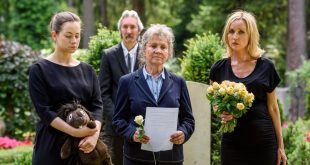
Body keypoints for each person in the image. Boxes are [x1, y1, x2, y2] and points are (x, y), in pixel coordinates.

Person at [209, 10, 287, 165]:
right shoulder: (218, 68)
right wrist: (222, 113)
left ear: (250, 35)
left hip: (264, 145)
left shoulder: (266, 67)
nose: (235, 36)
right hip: (232, 145)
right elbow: (215, 104)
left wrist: (281, 146)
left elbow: (273, 108)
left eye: (241, 32)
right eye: (231, 31)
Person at [112, 24, 195, 165]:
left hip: (171, 158)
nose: (158, 50)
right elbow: (118, 120)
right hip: (137, 158)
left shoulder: (179, 82)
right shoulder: (127, 81)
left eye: (163, 47)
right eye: (153, 46)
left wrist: (183, 133)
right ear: (144, 49)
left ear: (169, 53)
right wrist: (133, 134)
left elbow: (188, 119)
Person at [29, 11, 102, 165]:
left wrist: (94, 136)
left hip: (84, 148)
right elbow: (44, 111)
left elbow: (97, 106)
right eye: (68, 36)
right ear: (54, 35)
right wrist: (75, 132)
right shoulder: (39, 70)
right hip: (51, 147)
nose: (74, 40)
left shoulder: (88, 70)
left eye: (77, 36)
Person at [98, 10, 143, 165]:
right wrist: (117, 117)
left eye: (132, 27)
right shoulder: (109, 55)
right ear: (120, 30)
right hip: (115, 126)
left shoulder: (147, 54)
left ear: (139, 30)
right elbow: (103, 92)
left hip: (142, 126)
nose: (128, 31)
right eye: (125, 27)